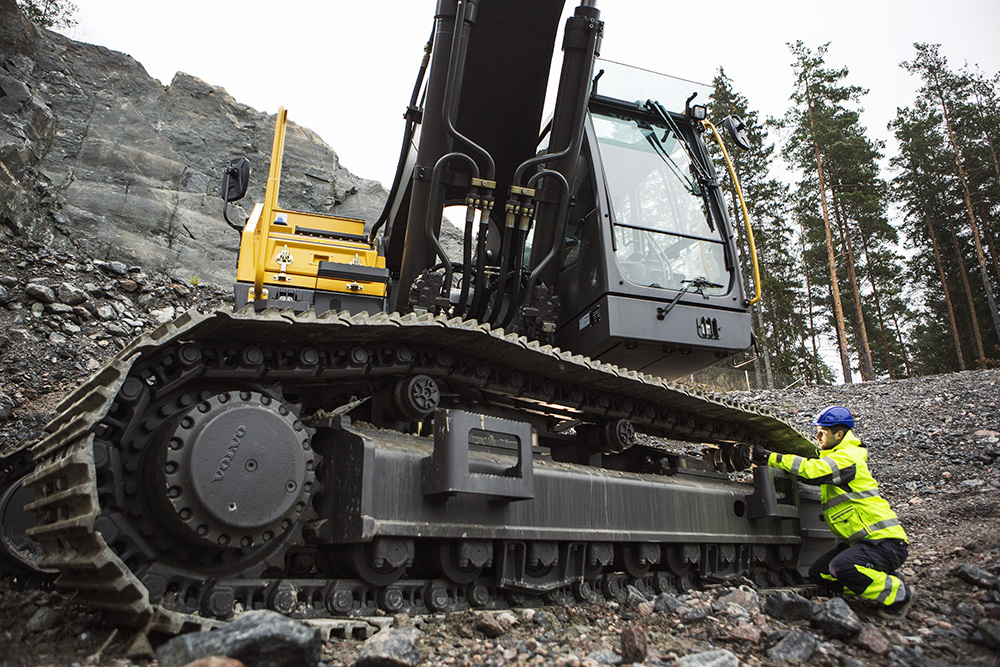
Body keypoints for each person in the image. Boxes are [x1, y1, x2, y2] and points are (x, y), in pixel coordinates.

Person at [751, 405, 916, 619]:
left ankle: (898, 594)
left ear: (839, 434)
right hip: (863, 543)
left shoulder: (848, 457)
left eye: (823, 431)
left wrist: (770, 458)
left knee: (842, 567)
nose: (817, 436)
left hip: (884, 542)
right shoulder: (836, 456)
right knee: (818, 573)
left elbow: (813, 472)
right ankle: (883, 580)